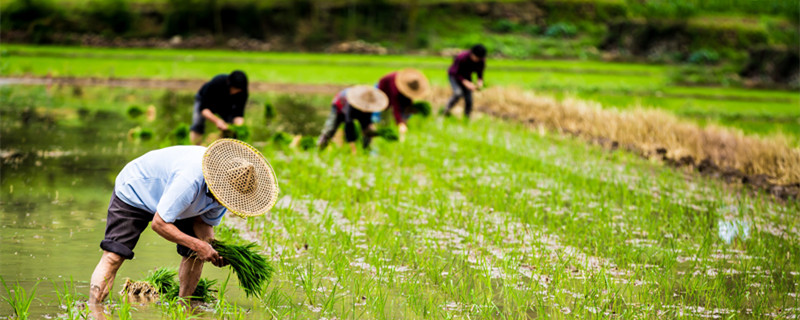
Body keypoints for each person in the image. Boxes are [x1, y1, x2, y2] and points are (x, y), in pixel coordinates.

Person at [88, 139, 278, 318]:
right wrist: (197, 245)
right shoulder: (190, 179)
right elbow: (159, 223)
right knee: (114, 256)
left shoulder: (228, 192)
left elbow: (203, 224)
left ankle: (184, 308)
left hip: (178, 204)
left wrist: (212, 249)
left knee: (196, 254)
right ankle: (93, 310)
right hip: (136, 190)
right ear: (218, 184)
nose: (226, 202)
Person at [318, 85, 389, 154]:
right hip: (339, 106)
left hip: (356, 109)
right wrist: (353, 149)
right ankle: (320, 148)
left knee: (367, 130)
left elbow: (367, 123)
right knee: (331, 128)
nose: (365, 110)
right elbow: (348, 126)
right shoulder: (351, 105)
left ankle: (367, 149)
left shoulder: (369, 107)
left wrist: (371, 131)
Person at [190, 71, 249, 145]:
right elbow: (204, 109)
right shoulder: (217, 83)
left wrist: (237, 127)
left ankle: (219, 148)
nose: (236, 92)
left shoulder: (243, 91)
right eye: (234, 89)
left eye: (238, 90)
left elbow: (238, 114)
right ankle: (196, 148)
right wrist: (217, 121)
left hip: (226, 104)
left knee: (229, 130)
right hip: (205, 101)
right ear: (229, 84)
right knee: (197, 125)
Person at [376, 68, 430, 142]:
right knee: (384, 115)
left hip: (396, 93)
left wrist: (406, 116)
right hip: (382, 90)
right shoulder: (395, 88)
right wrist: (400, 123)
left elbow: (408, 102)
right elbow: (396, 106)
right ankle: (382, 133)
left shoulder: (408, 87)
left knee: (404, 112)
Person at [443, 44, 487, 119]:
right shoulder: (462, 57)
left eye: (479, 58)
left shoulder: (481, 60)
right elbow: (455, 72)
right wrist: (465, 82)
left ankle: (467, 117)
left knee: (469, 99)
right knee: (458, 93)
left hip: (466, 76)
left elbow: (480, 72)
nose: (477, 60)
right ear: (472, 54)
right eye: (476, 57)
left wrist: (480, 81)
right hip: (454, 76)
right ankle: (445, 111)